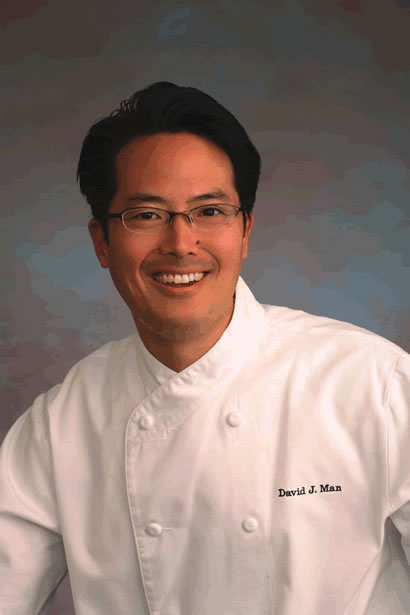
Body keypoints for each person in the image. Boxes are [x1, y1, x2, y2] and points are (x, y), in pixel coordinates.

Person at [0, 81, 409, 615]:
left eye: (210, 211)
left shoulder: (374, 385)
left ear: (245, 231)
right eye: (147, 215)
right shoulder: (62, 425)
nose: (180, 243)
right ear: (102, 241)